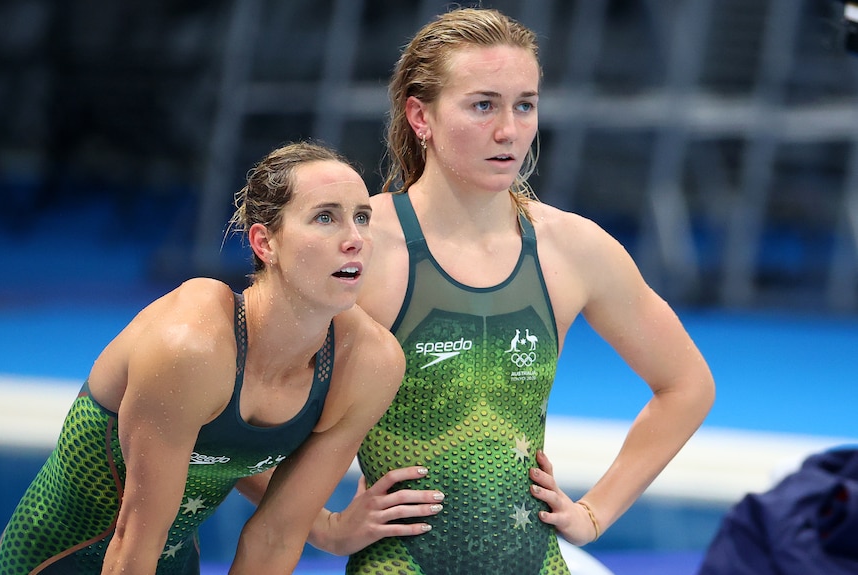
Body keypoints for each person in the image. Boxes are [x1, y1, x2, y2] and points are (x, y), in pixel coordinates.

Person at [305, 7, 716, 575]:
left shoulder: (574, 249)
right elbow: (230, 405)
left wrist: (595, 514)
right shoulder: (361, 248)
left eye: (525, 104)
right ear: (420, 116)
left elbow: (687, 385)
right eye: (483, 105)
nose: (509, 130)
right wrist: (323, 526)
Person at [0, 141, 404, 574]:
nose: (355, 239)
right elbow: (134, 539)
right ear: (265, 243)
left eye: (362, 217)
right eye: (325, 217)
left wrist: (326, 527)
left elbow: (276, 537)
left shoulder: (369, 362)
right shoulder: (191, 345)